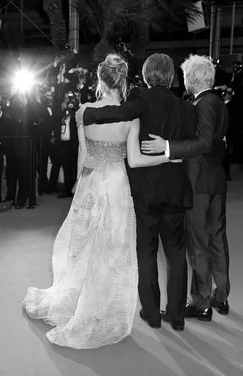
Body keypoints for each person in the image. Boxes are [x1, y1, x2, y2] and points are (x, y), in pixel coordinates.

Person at [22, 54, 176, 350]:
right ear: (123, 80)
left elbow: (82, 153)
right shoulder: (131, 116)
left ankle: (77, 304)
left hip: (91, 182)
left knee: (82, 248)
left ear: (100, 81)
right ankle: (102, 311)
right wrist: (170, 155)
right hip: (117, 185)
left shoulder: (84, 111)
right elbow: (135, 159)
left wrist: (80, 185)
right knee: (114, 249)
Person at [83, 53, 197, 332]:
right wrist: (171, 148)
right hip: (176, 189)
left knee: (146, 252)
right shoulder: (187, 107)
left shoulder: (141, 98)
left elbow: (120, 113)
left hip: (144, 190)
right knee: (176, 253)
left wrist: (89, 114)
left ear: (146, 76)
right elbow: (192, 142)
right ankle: (177, 316)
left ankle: (152, 313)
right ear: (172, 77)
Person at [142, 54, 230, 321]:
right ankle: (221, 296)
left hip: (199, 183)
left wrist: (168, 147)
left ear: (191, 78)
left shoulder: (203, 104)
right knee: (218, 239)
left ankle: (202, 302)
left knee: (198, 243)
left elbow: (203, 143)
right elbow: (218, 143)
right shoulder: (219, 102)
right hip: (216, 180)